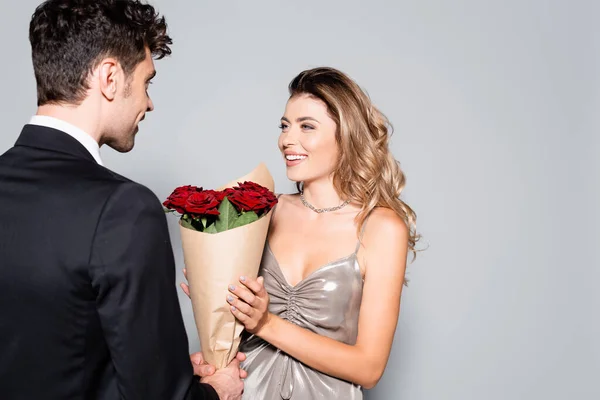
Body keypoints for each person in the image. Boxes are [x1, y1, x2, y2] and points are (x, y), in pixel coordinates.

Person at [0, 1, 243, 399]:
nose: (148, 103)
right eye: (147, 82)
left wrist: (176, 371)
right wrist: (215, 390)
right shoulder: (124, 208)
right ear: (110, 78)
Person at [184, 66, 420, 399]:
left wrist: (265, 323)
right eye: (284, 126)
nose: (286, 140)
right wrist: (216, 302)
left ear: (347, 135)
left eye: (306, 126)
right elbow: (231, 330)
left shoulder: (381, 228)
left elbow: (369, 368)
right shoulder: (263, 210)